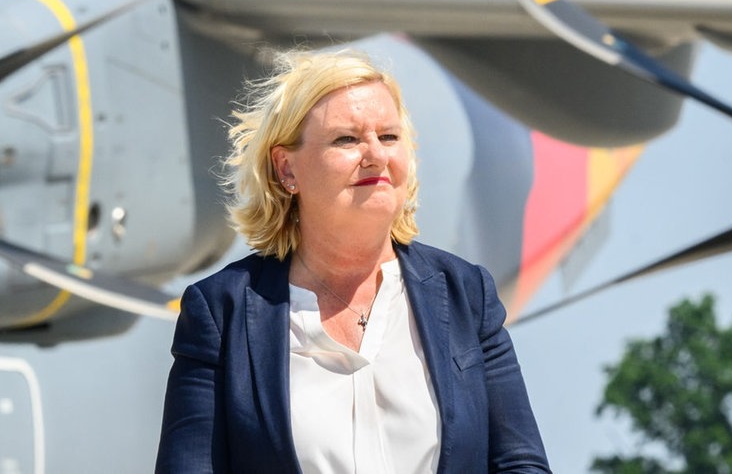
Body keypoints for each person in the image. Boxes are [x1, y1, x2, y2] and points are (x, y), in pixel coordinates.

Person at [155, 47, 550, 473]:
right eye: (347, 138)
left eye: (389, 136)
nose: (376, 154)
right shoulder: (221, 312)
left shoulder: (466, 294)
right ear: (286, 169)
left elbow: (520, 462)